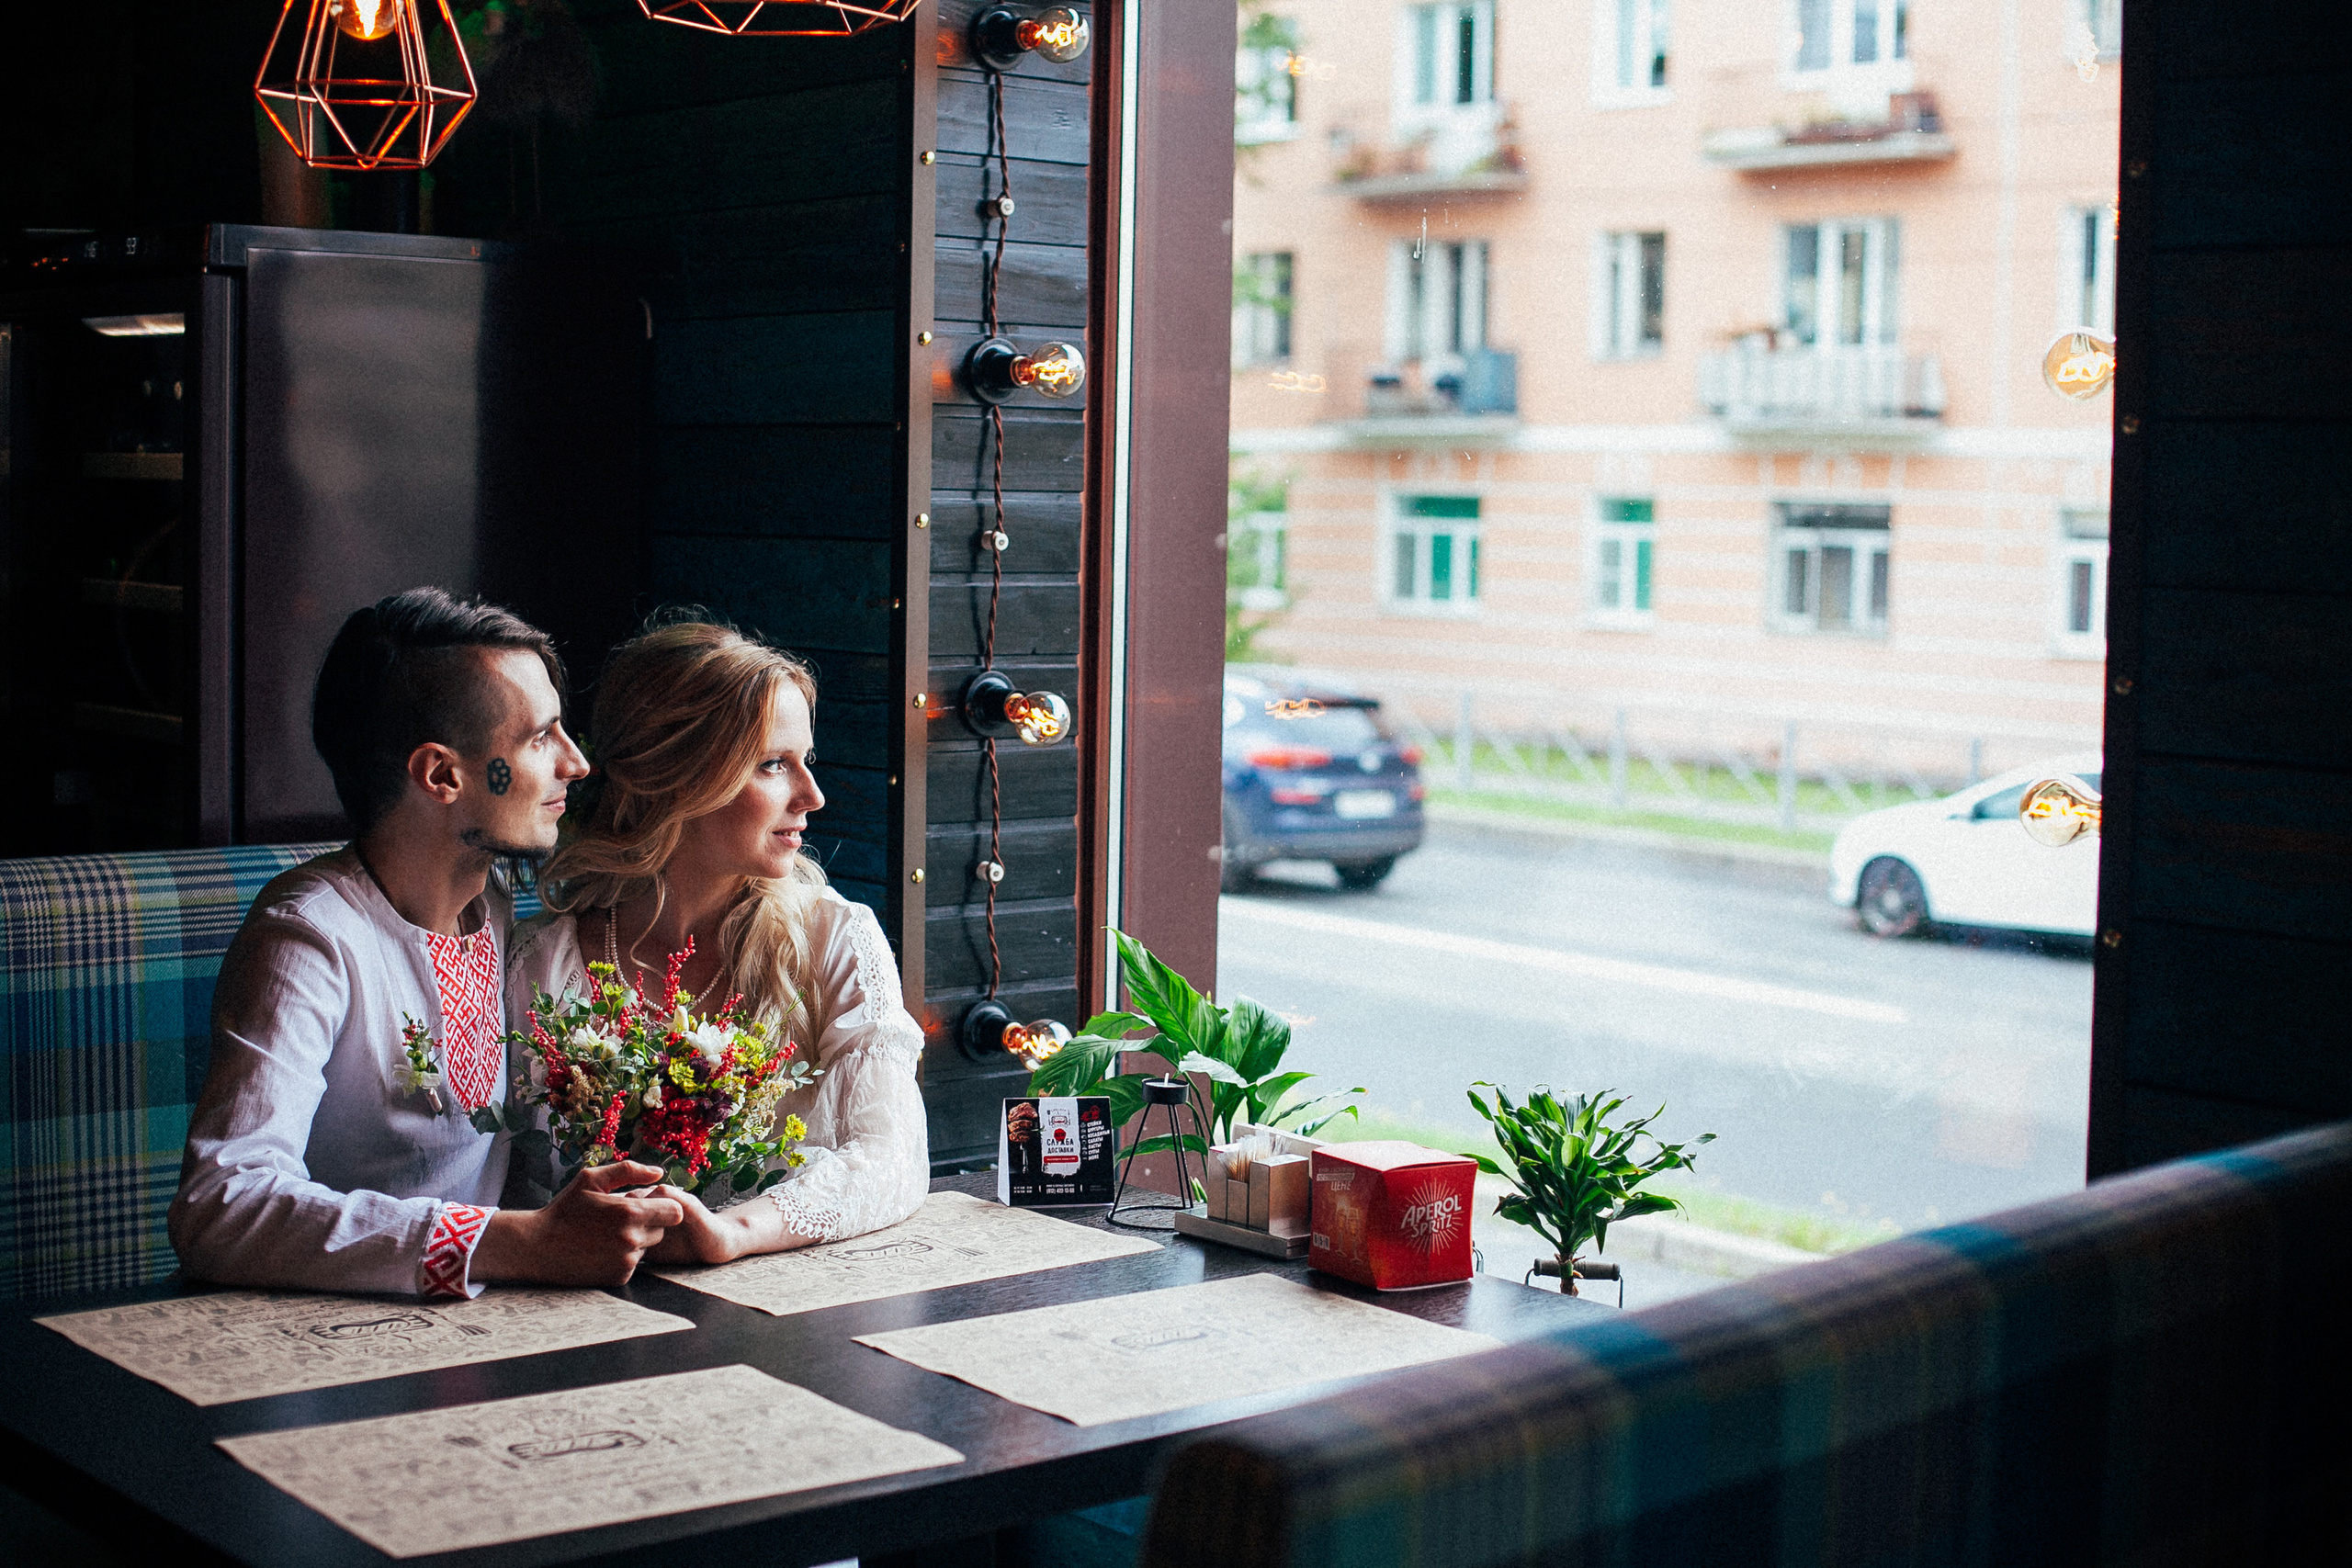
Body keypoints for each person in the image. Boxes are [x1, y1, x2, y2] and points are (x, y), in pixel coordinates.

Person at [168, 588, 684, 1297]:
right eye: (539, 738)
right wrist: (514, 1241)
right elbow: (220, 1205)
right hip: (311, 1349)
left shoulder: (504, 907)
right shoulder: (310, 936)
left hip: (479, 1335)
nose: (576, 762)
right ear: (441, 774)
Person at [512, 618, 928, 1263]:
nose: (812, 795)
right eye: (772, 764)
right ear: (675, 775)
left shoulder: (834, 938)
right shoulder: (541, 962)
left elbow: (894, 1157)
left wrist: (732, 1233)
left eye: (804, 761)